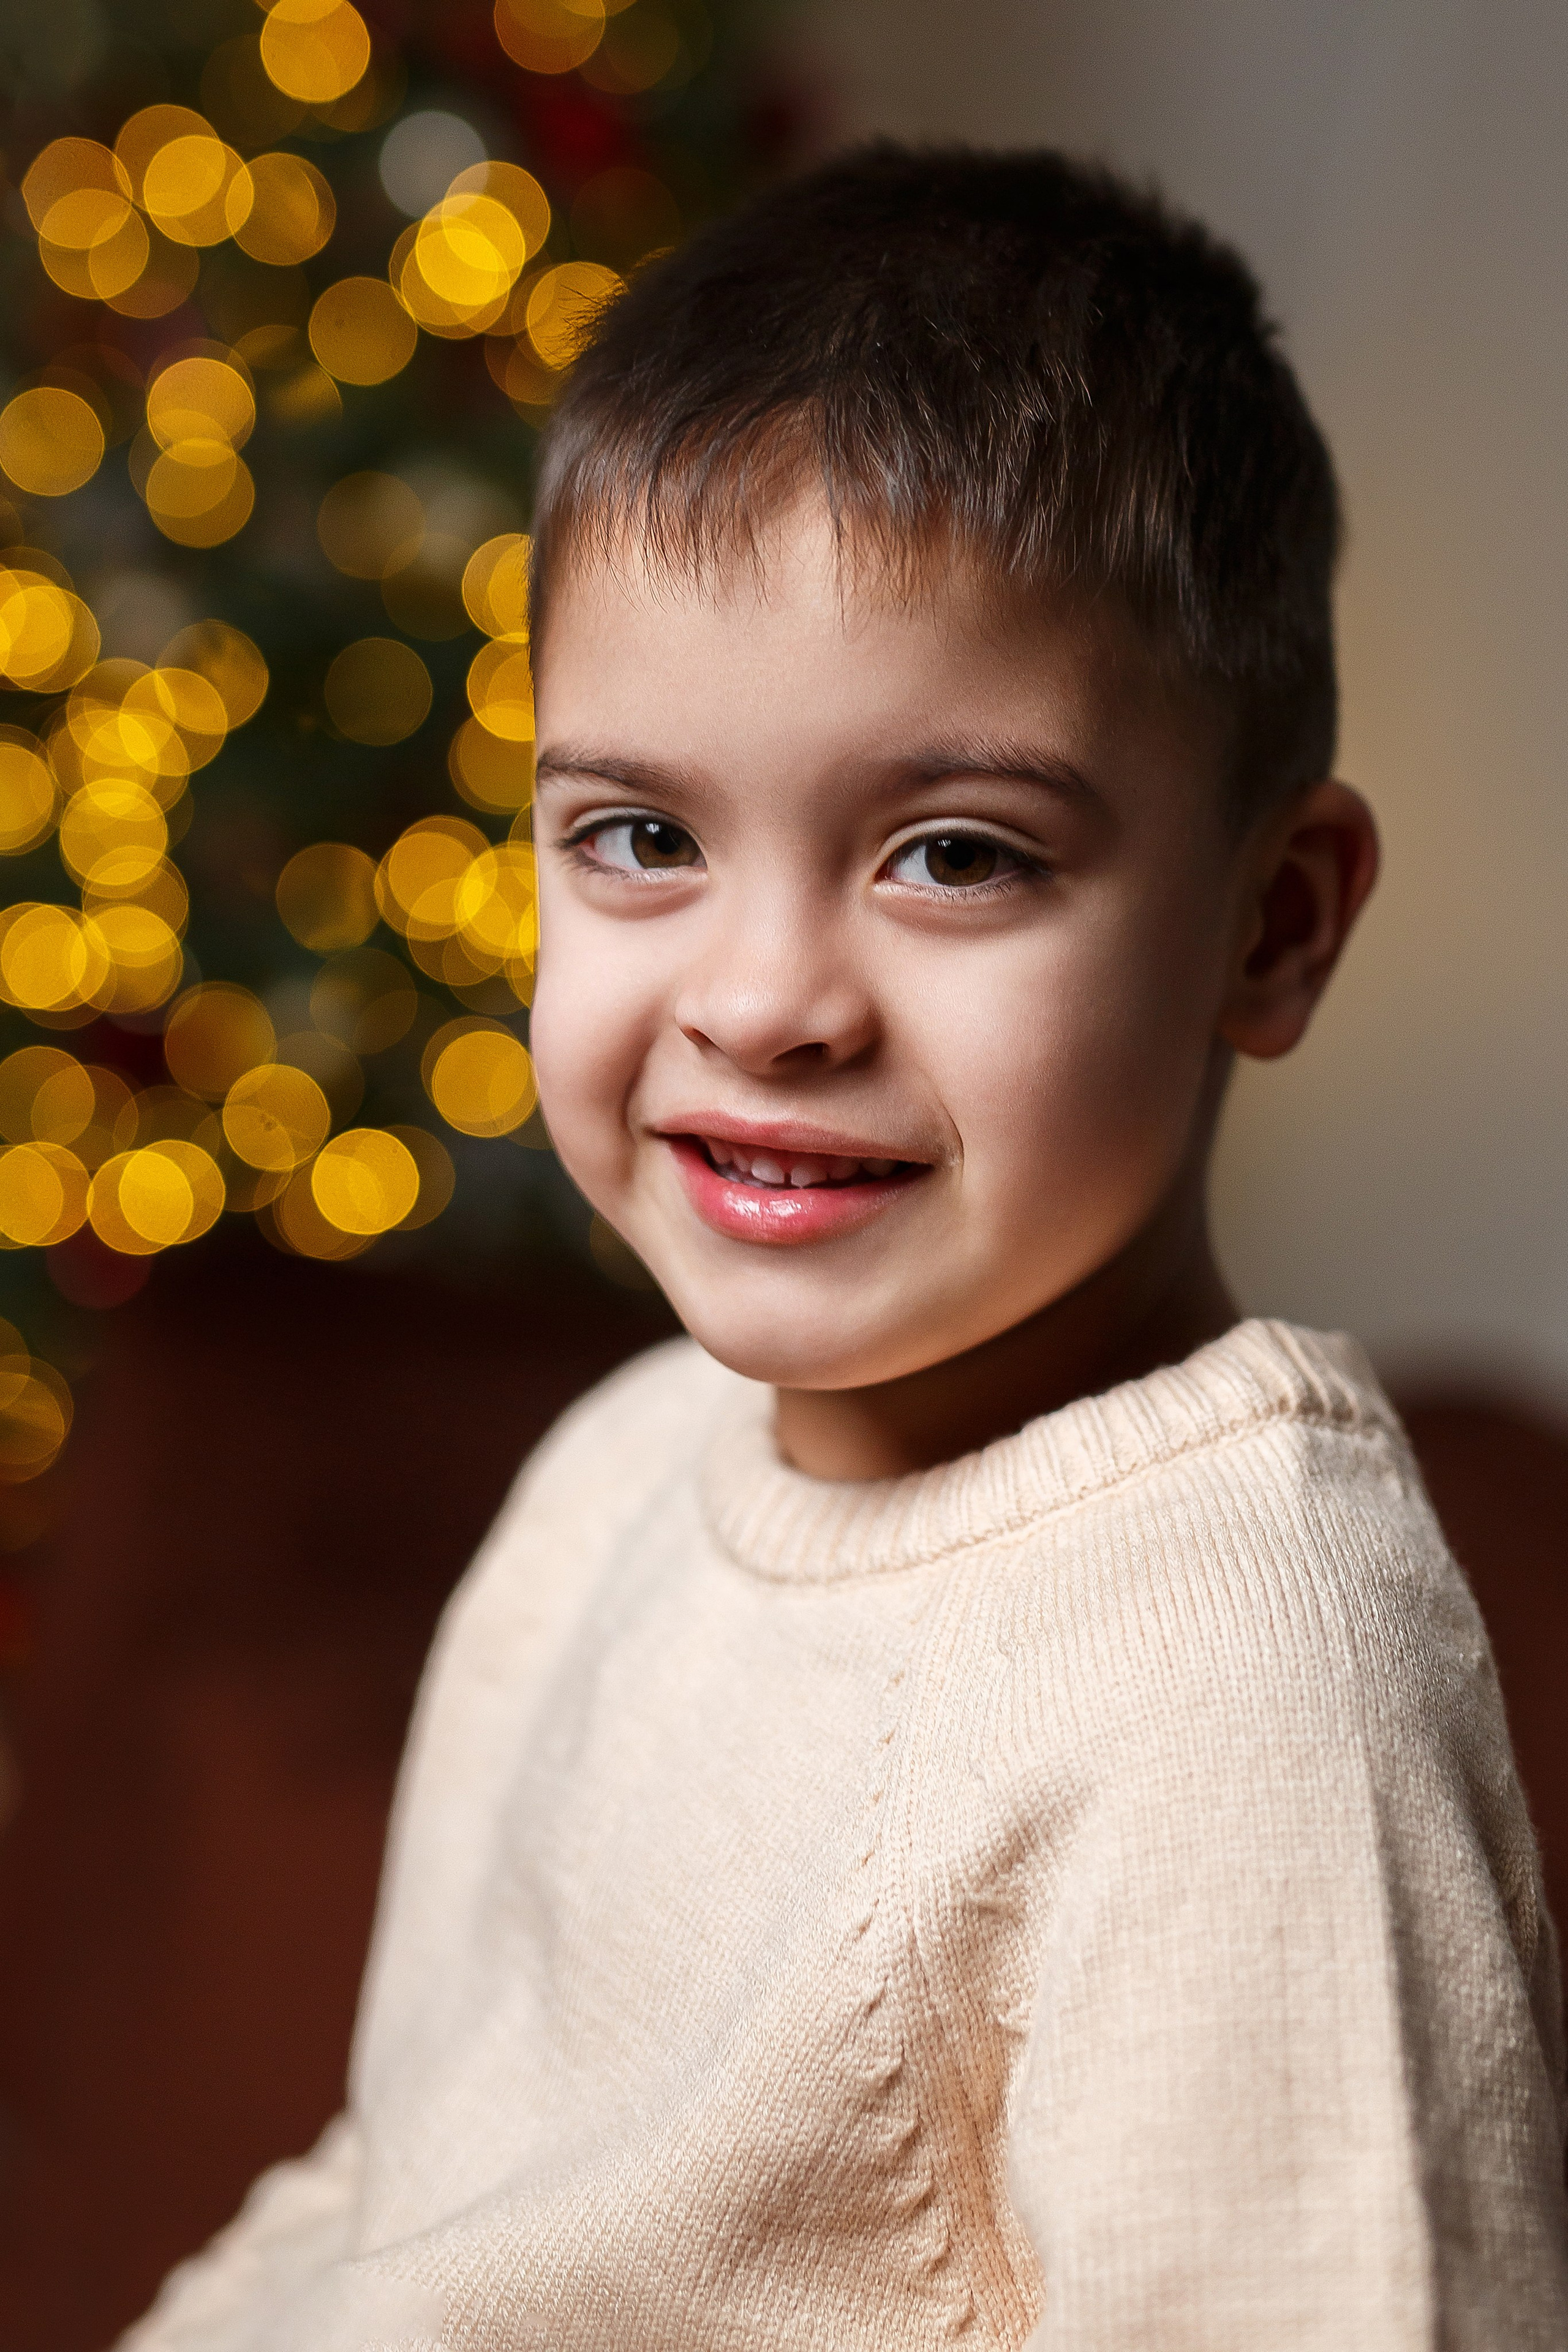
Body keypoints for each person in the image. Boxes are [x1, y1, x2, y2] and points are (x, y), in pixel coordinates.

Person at [122, 145, 1567, 2351]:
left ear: (1271, 926)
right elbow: (394, 2202)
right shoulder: (620, 1470)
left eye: (955, 853)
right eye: (639, 837)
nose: (762, 996)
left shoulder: (1241, 1675)